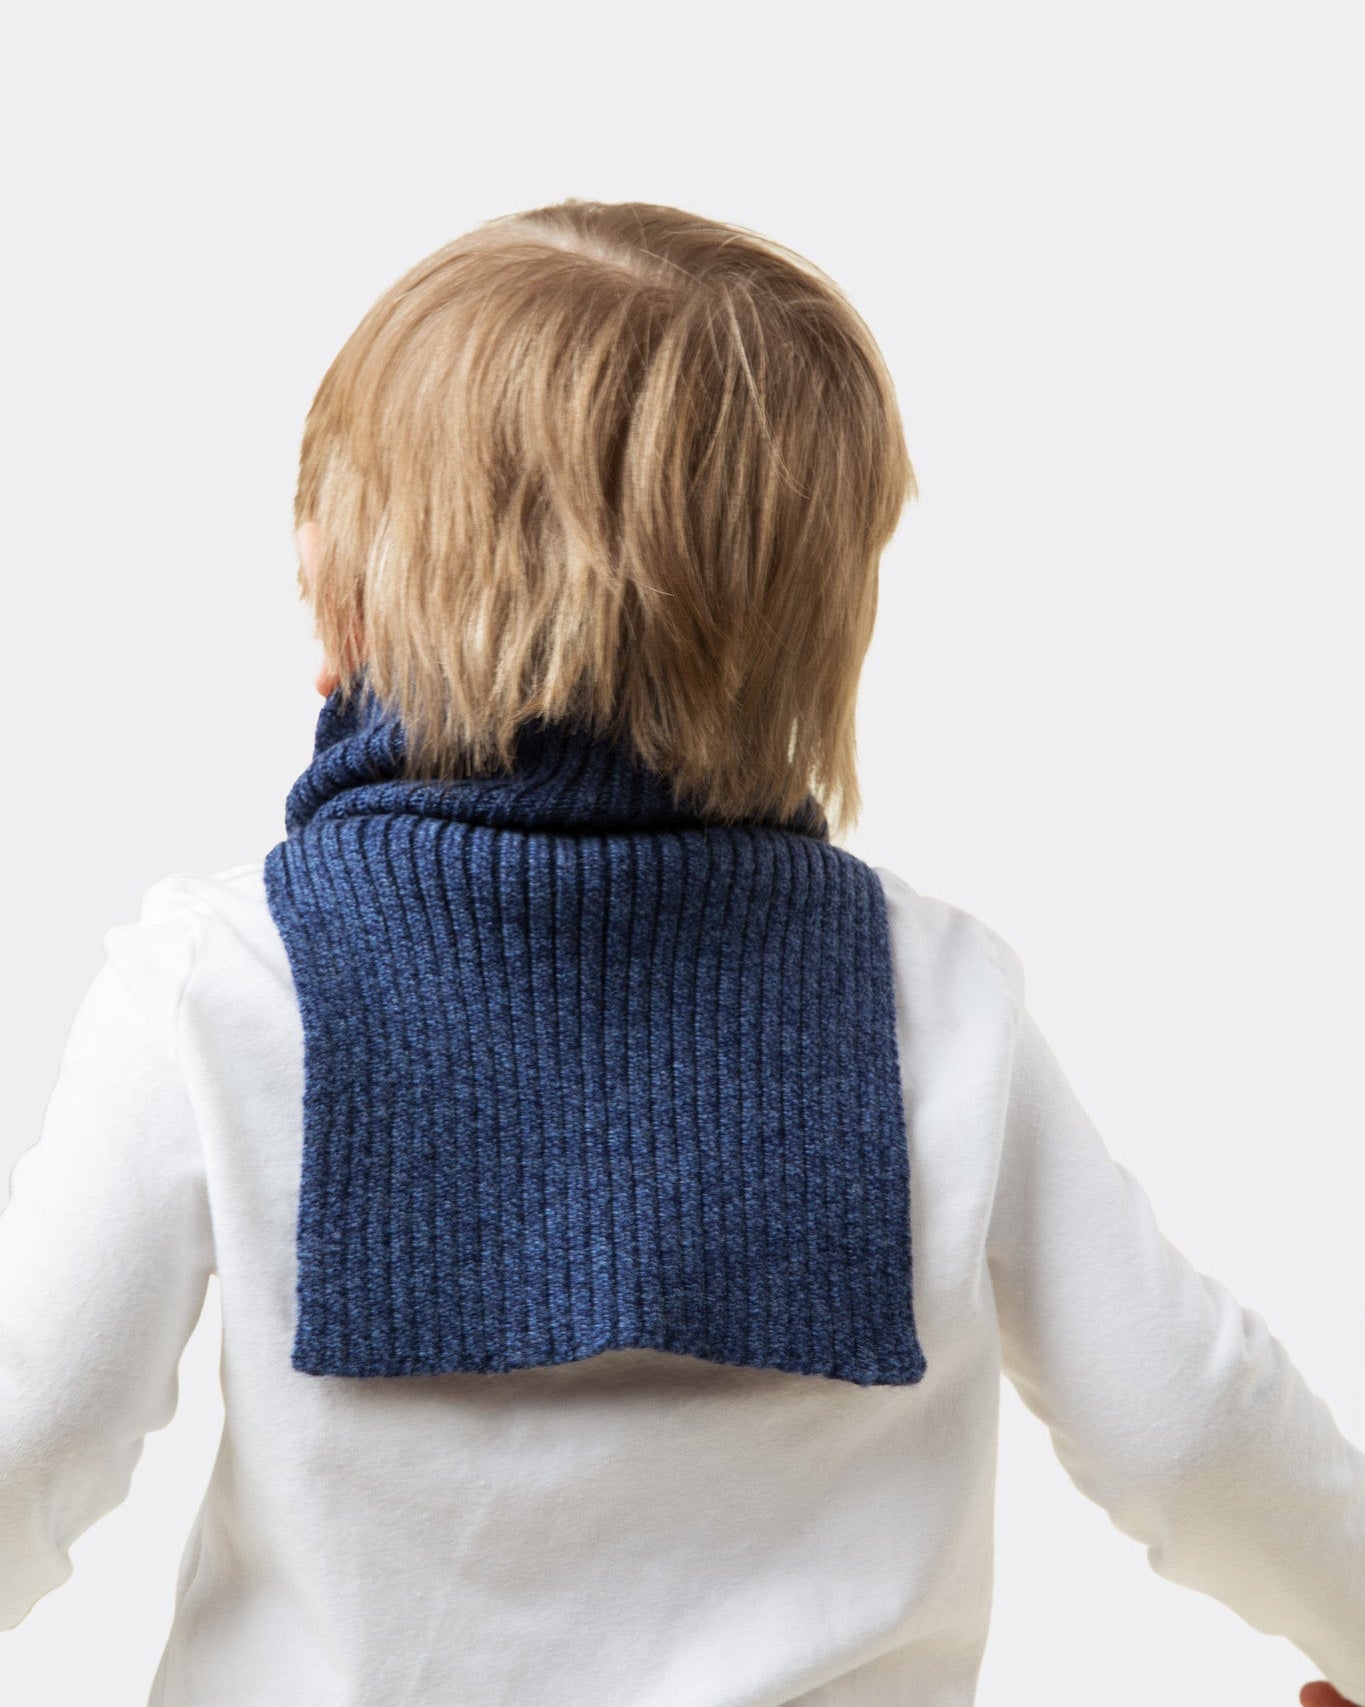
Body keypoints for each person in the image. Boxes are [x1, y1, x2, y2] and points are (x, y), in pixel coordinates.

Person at [1, 198, 1361, 1707]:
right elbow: (1184, 1424)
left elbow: (28, 1432)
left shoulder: (224, 982)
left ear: (340, 598)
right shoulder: (925, 995)